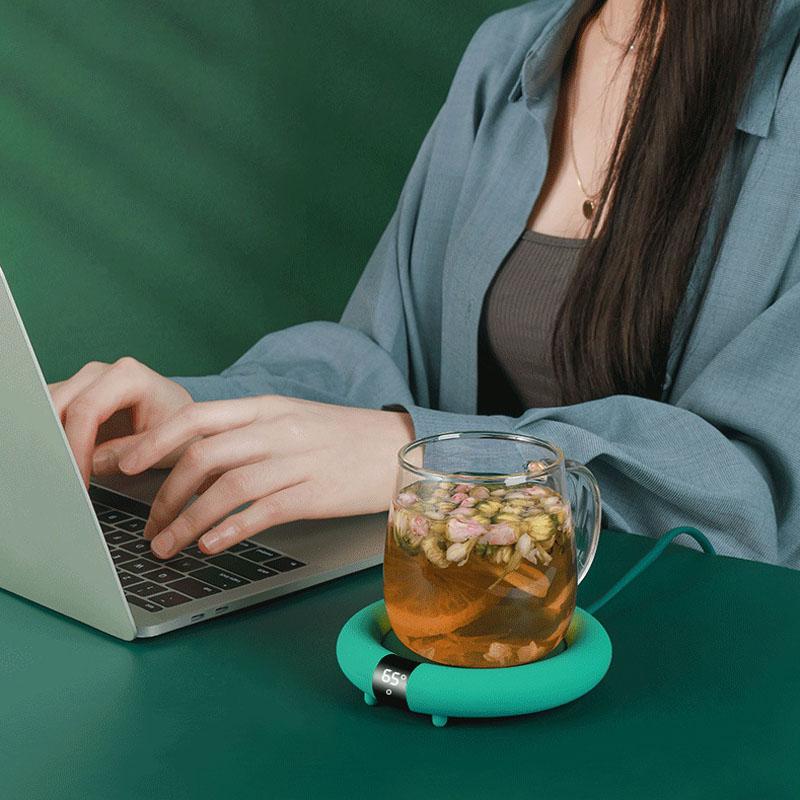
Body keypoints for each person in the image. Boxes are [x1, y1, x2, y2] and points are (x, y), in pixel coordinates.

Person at [50, 0, 800, 568]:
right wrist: (197, 424)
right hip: (462, 630)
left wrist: (433, 463)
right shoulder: (506, 55)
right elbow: (380, 358)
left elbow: (755, 505)